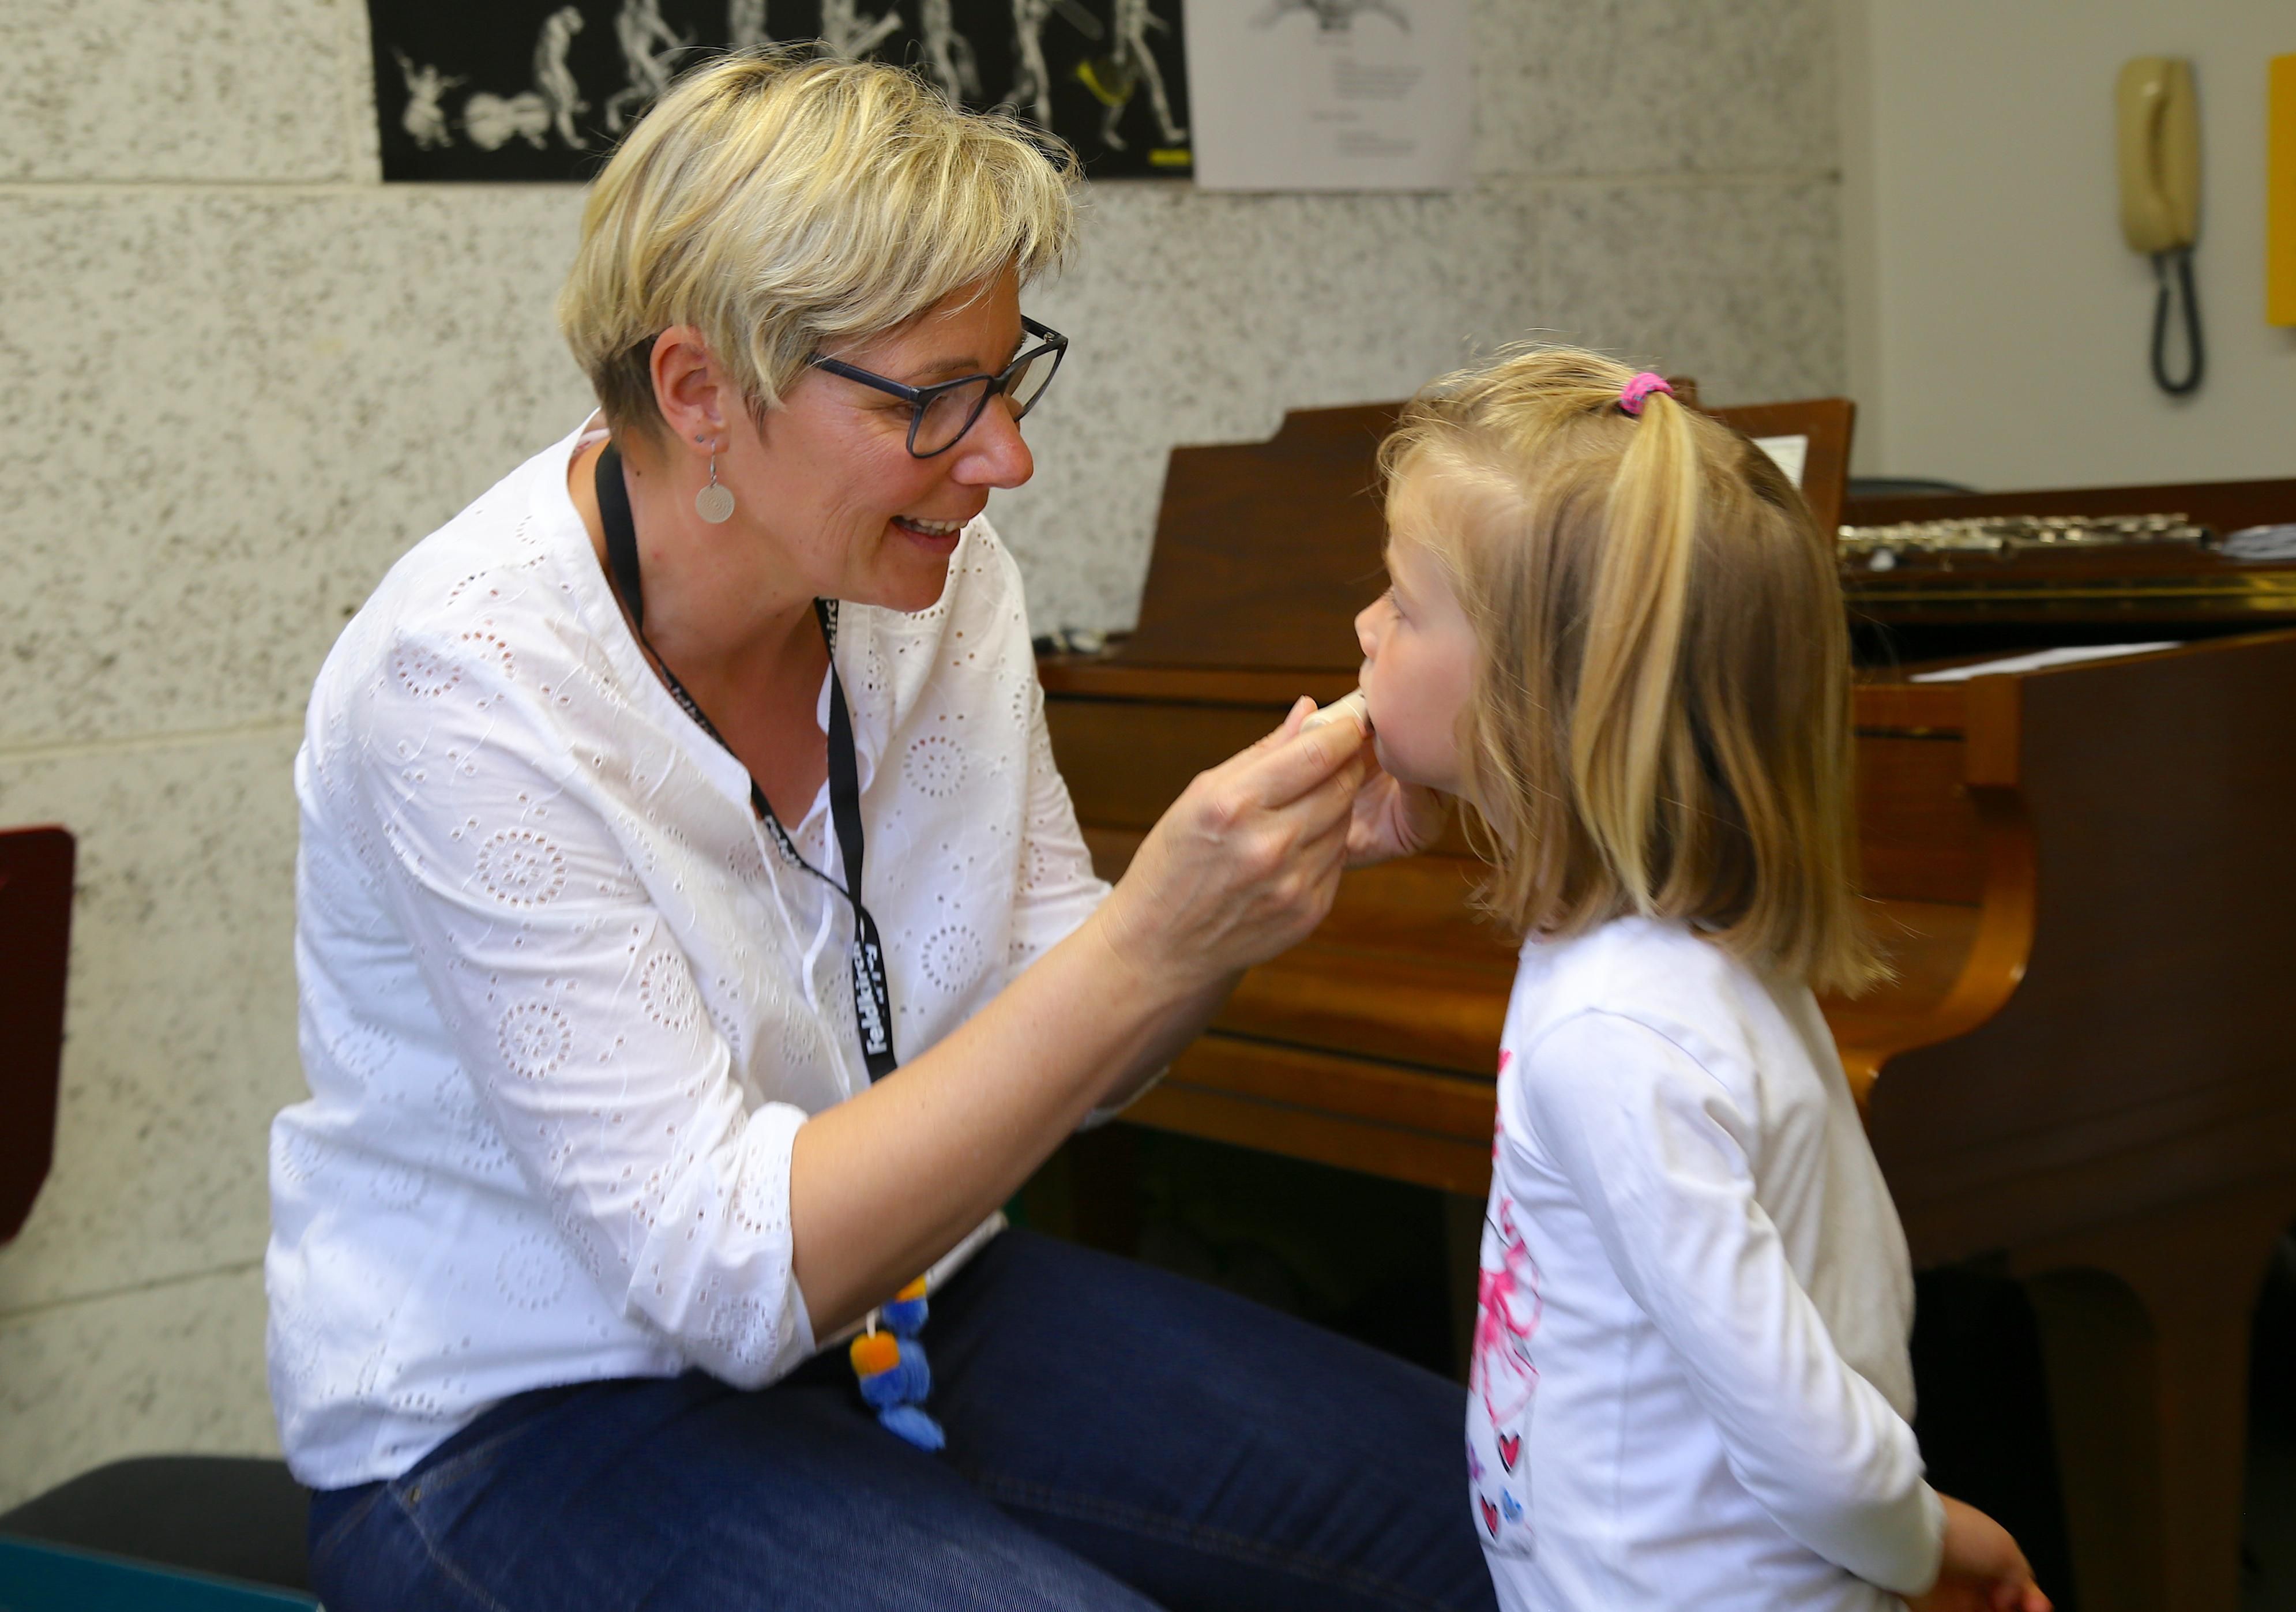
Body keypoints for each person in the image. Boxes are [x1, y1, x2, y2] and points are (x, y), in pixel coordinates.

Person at [268, 51, 1490, 1612]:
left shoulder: (936, 571)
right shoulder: (464, 681)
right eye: (929, 400)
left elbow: (1074, 1032)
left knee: (1492, 1512)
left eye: (1007, 374)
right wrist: (1152, 939)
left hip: (901, 1297)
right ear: (699, 392)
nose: (1004, 457)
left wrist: (1228, 912)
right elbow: (724, 1276)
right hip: (524, 1415)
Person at [1347, 347, 2053, 1612]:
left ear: (1538, 700)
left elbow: (1815, 1448)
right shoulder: (1678, 951)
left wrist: (1930, 1544)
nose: (1364, 626)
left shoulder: (1615, 1034)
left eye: (1402, 604)